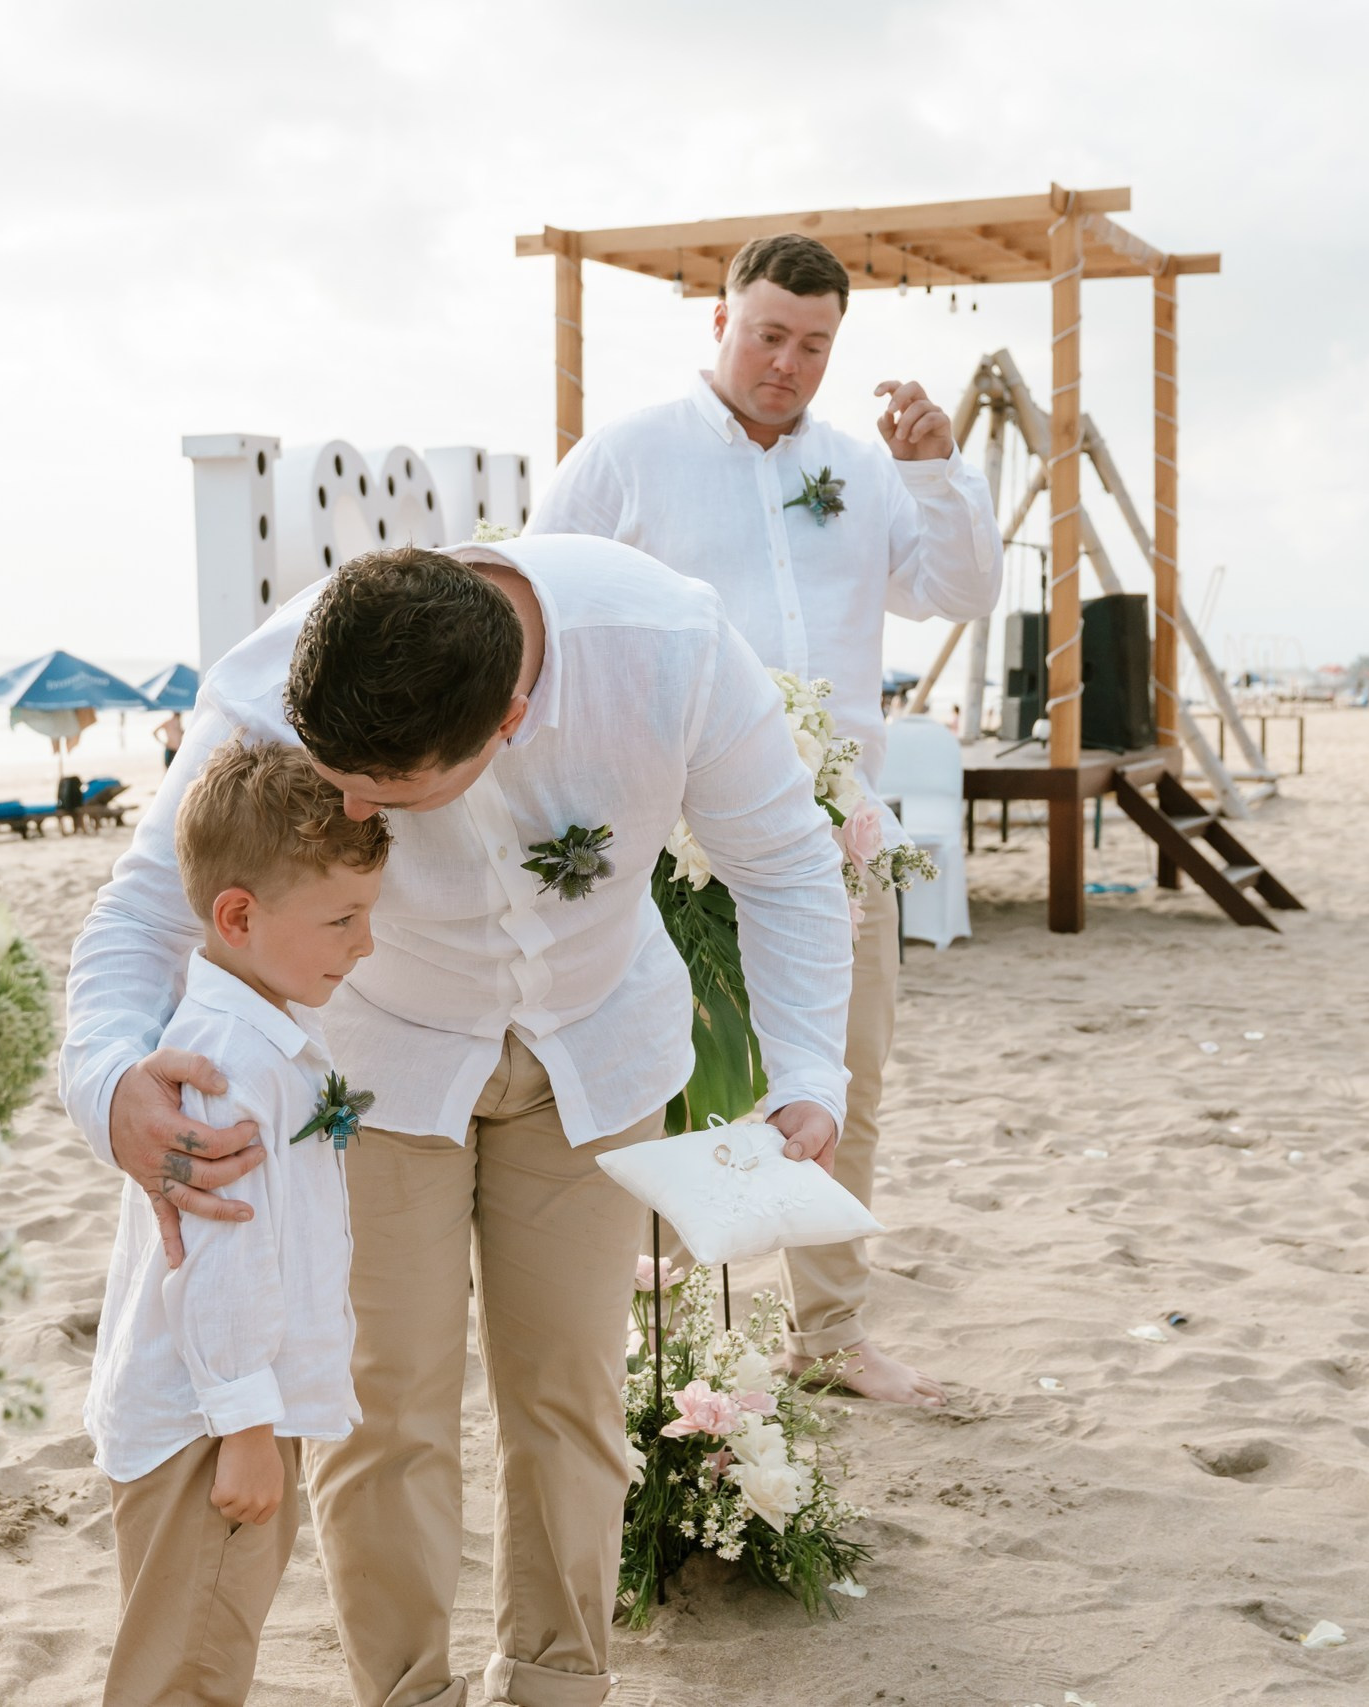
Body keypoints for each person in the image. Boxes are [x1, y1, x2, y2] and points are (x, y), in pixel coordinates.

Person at [64, 539, 854, 1707]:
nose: (347, 805)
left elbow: (784, 859)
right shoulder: (285, 687)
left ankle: (551, 1683)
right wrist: (106, 1078)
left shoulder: (671, 648)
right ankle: (408, 1694)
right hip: (376, 1066)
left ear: (509, 722)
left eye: (384, 797)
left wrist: (806, 1073)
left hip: (599, 1047)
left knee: (568, 1395)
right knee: (381, 1406)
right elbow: (145, 899)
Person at [528, 232, 1002, 1408]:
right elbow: (542, 619)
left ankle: (832, 1334)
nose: (787, 363)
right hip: (672, 830)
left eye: (814, 346)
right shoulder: (624, 459)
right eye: (768, 335)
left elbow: (959, 590)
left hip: (838, 831)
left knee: (845, 1078)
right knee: (682, 1076)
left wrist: (938, 472)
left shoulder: (861, 464)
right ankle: (682, 1330)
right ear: (721, 324)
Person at [84, 738, 389, 1707]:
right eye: (343, 918)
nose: (365, 944)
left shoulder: (264, 1029)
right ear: (238, 917)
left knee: (195, 1644)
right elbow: (217, 1258)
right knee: (189, 1669)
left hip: (225, 1410)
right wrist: (248, 1427)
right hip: (209, 1423)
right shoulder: (227, 1062)